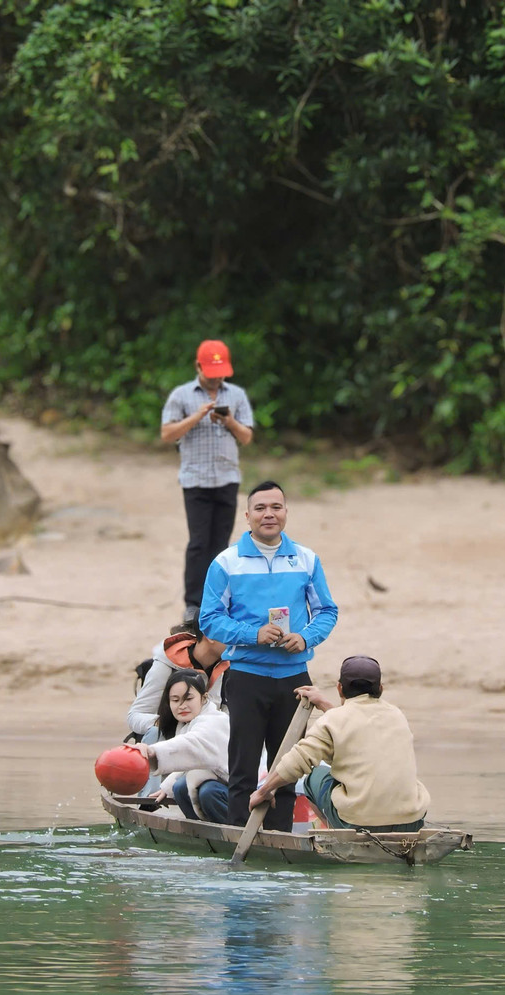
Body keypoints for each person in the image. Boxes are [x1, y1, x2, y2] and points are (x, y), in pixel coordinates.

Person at [199, 480, 338, 832]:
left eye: (276, 507)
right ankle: (238, 840)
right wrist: (253, 634)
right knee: (243, 769)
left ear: (286, 512)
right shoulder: (226, 562)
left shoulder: (306, 559)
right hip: (246, 676)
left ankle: (279, 842)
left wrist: (305, 638)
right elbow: (210, 619)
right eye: (260, 508)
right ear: (247, 516)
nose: (269, 514)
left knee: (287, 769)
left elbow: (327, 611)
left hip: (294, 679)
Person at [249, 655, 429, 833]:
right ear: (381, 689)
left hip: (358, 822)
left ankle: (337, 836)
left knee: (313, 776)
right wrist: (324, 705)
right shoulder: (397, 715)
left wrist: (264, 790)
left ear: (339, 689)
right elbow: (356, 725)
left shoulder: (333, 720)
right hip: (411, 821)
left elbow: (297, 761)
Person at [160, 339, 255, 621]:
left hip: (227, 478)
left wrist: (228, 422)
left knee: (221, 544)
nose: (217, 377)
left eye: (221, 371)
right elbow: (167, 434)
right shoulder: (181, 396)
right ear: (199, 366)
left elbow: (247, 437)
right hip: (196, 480)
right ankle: (193, 603)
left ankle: (218, 601)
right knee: (199, 543)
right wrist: (197, 416)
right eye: (212, 371)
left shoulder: (236, 395)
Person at [127, 669, 232, 824]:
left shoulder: (215, 721)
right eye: (175, 700)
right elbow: (192, 762)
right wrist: (166, 788)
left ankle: (234, 832)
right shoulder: (186, 725)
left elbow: (191, 744)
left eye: (188, 698)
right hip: (222, 783)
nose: (182, 706)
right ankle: (201, 834)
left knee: (208, 792)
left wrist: (151, 750)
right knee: (180, 787)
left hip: (248, 791)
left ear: (204, 698)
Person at [126, 620, 229, 739]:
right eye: (230, 634)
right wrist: (169, 725)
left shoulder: (227, 668)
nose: (237, 640)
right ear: (209, 636)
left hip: (204, 741)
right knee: (154, 734)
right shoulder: (167, 665)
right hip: (165, 743)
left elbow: (227, 717)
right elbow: (134, 716)